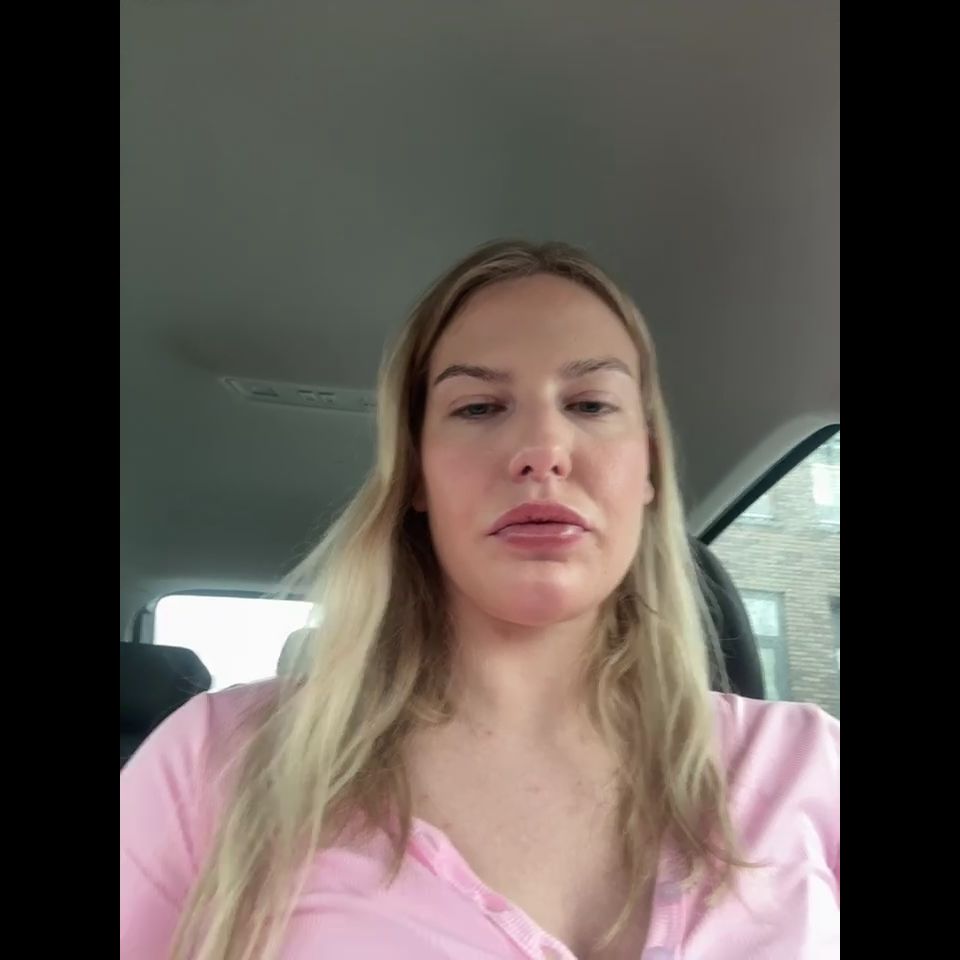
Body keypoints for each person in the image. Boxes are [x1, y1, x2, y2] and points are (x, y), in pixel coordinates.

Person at [120, 241, 839, 960]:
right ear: (415, 473)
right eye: (479, 407)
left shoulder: (810, 766)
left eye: (591, 403)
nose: (544, 449)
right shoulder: (214, 762)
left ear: (648, 464)